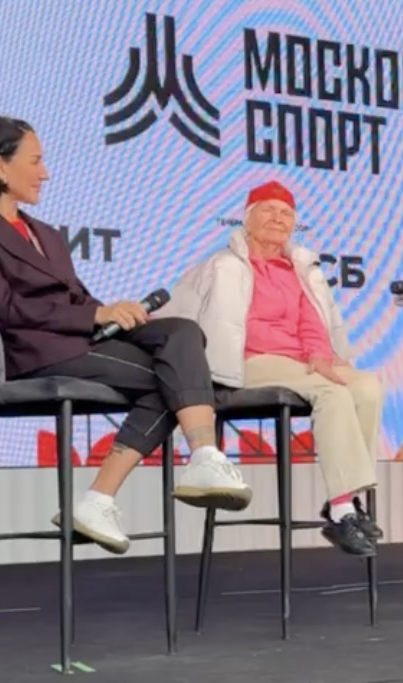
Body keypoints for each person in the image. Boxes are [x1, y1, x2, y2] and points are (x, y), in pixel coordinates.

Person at [0, 116, 252, 555]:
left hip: (75, 340)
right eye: (36, 161)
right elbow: (2, 307)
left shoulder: (47, 235)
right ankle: (104, 497)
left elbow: (78, 299)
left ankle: (200, 459)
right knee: (174, 380)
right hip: (26, 352)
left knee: (181, 333)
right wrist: (94, 315)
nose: (45, 173)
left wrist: (114, 312)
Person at [159, 180, 383, 557]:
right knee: (332, 392)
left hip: (296, 362)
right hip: (244, 362)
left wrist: (320, 354)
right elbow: (180, 314)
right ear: (247, 219)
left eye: (286, 213)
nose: (278, 218)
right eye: (268, 210)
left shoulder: (300, 269)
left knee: (367, 386)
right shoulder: (223, 265)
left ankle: (346, 498)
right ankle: (343, 509)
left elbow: (313, 323)